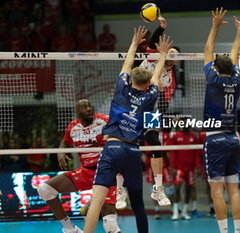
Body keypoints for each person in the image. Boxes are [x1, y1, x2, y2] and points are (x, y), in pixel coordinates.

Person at [83, 26, 173, 233]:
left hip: (112, 148)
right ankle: (148, 191)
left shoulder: (122, 89)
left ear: (131, 81)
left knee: (96, 202)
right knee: (139, 205)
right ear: (147, 83)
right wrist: (162, 56)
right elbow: (157, 77)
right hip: (133, 151)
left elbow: (127, 63)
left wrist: (134, 42)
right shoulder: (151, 96)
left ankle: (139, 190)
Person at [116, 16, 179, 209]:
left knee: (155, 144)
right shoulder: (153, 57)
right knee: (122, 148)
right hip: (130, 106)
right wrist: (160, 29)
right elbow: (152, 43)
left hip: (150, 110)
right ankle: (120, 191)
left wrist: (158, 93)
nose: (171, 54)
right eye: (169, 51)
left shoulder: (170, 80)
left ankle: (157, 189)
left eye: (174, 54)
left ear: (176, 61)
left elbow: (164, 106)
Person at [37, 99, 121, 233]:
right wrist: (61, 153)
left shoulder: (104, 120)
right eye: (84, 107)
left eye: (89, 106)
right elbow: (64, 142)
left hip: (106, 172)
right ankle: (70, 229)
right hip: (86, 173)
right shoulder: (73, 128)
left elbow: (122, 130)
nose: (88, 109)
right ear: (77, 112)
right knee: (44, 189)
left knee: (110, 224)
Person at [203, 8, 240, 233]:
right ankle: (238, 231)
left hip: (215, 140)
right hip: (233, 139)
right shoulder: (237, 78)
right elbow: (235, 51)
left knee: (217, 192)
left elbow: (207, 49)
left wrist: (215, 26)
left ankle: (223, 231)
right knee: (234, 191)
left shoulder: (212, 79)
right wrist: (239, 30)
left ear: (215, 68)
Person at [170, 126, 200, 220]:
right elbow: (172, 152)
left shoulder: (194, 137)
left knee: (188, 190)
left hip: (190, 169)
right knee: (177, 189)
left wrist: (197, 166)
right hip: (179, 168)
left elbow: (197, 152)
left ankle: (184, 212)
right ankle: (175, 212)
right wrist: (173, 166)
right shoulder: (176, 136)